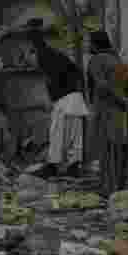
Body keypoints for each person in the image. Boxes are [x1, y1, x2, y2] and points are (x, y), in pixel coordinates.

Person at [27, 25, 90, 175]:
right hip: (76, 99)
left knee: (57, 135)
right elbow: (78, 72)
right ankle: (73, 167)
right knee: (75, 137)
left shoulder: (45, 54)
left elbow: (39, 44)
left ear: (34, 53)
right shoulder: (59, 58)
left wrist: (33, 30)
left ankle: (52, 167)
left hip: (65, 101)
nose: (30, 64)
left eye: (29, 59)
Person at [87, 30, 128, 196]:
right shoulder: (118, 60)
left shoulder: (96, 60)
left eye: (89, 42)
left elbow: (101, 86)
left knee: (107, 149)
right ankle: (120, 188)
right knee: (120, 149)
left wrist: (117, 99)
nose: (87, 46)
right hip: (123, 111)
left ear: (95, 44)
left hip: (107, 109)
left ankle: (109, 188)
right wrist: (126, 101)